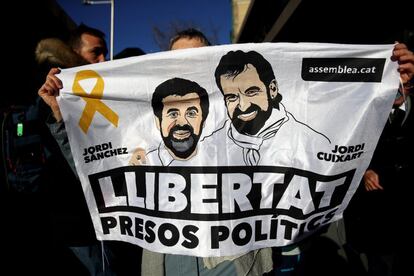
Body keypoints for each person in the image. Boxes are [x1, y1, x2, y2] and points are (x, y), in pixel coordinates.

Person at [37, 23, 140, 276]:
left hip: (117, 224)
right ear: (74, 54)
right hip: (80, 228)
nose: (104, 59)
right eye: (96, 53)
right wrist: (60, 115)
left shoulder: (103, 98)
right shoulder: (50, 102)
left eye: (105, 52)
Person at [344, 44, 414, 276]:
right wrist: (364, 170)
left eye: (400, 83)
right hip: (377, 217)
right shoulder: (365, 113)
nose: (395, 89)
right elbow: (347, 148)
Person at [208, 50, 331, 166]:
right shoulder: (208, 148)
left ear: (272, 89)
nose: (243, 106)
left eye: (251, 92)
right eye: (232, 97)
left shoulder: (314, 144)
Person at [130, 77, 210, 166]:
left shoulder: (221, 154)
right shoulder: (143, 164)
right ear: (158, 121)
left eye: (191, 113)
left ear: (204, 120)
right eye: (173, 114)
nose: (182, 122)